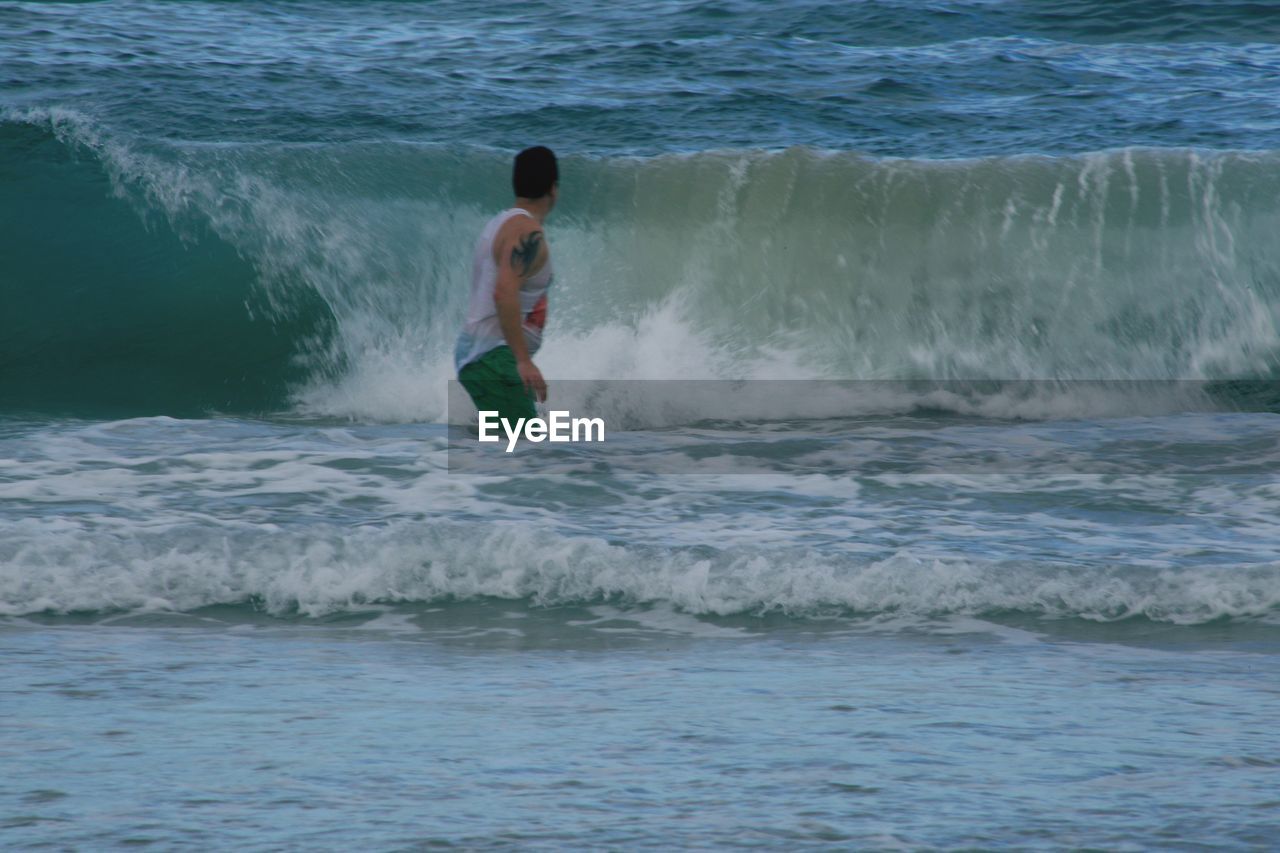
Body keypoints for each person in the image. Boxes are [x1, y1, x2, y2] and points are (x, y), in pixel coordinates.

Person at [454, 146, 557, 423]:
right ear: (554, 188)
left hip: (484, 356)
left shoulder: (502, 223)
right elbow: (504, 293)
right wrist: (522, 360)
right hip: (494, 358)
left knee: (507, 453)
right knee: (525, 452)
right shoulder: (527, 232)